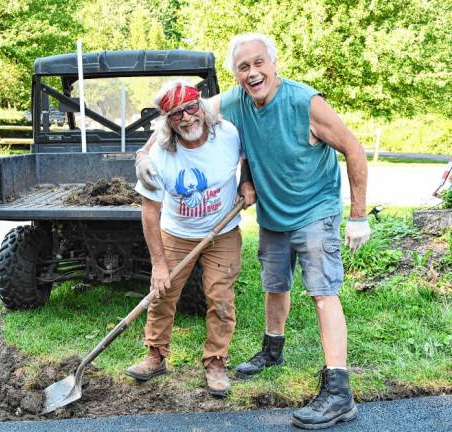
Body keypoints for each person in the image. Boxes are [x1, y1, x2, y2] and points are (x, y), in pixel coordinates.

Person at [135, 33, 371, 430]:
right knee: (275, 286)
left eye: (259, 63)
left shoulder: (304, 102)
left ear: (273, 63)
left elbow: (354, 147)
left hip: (315, 211)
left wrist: (359, 215)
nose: (252, 72)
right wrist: (144, 153)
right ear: (236, 75)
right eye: (243, 67)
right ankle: (272, 350)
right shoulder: (236, 101)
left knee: (322, 294)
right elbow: (179, 114)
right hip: (274, 217)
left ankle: (339, 390)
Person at [127, 80, 244, 397]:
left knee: (220, 298)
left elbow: (250, 157)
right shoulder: (161, 156)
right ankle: (156, 355)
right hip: (176, 233)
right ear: (167, 121)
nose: (187, 118)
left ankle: (216, 361)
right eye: (176, 114)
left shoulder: (228, 135)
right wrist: (159, 265)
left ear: (202, 106)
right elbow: (150, 212)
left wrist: (246, 181)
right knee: (162, 294)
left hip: (223, 231)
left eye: (191, 108)